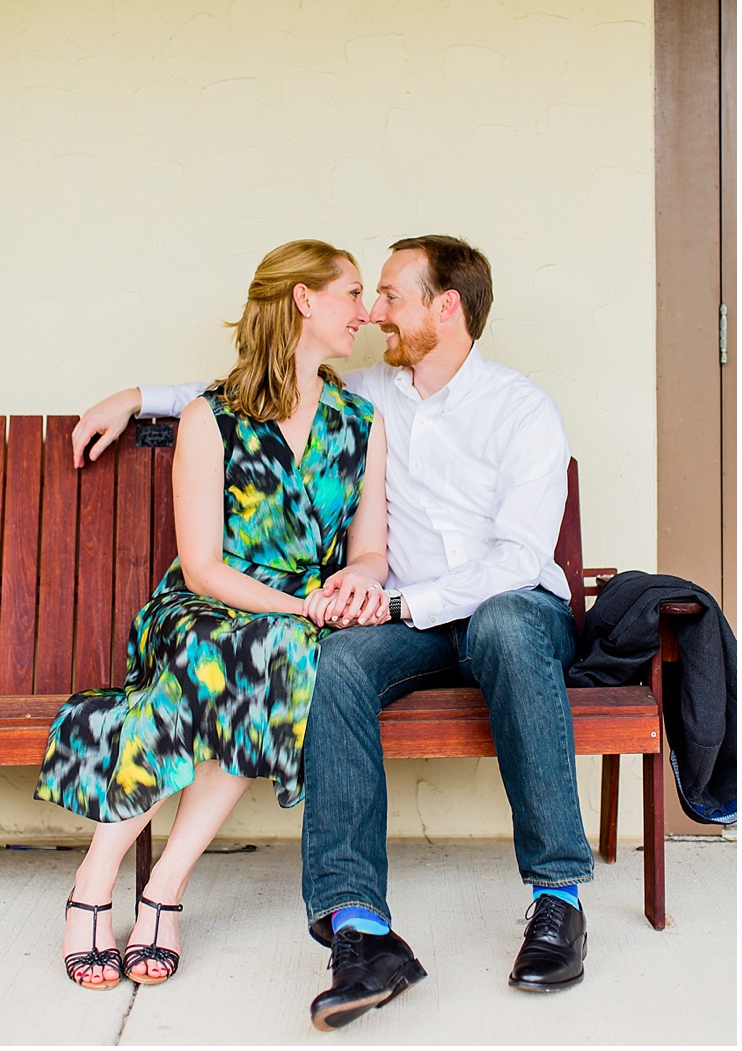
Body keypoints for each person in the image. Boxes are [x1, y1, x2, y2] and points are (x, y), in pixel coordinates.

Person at [72, 234, 592, 1027]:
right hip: (400, 616)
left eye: (391, 296)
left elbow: (520, 559)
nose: (378, 312)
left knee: (510, 626)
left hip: (502, 607)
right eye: (367, 295)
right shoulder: (374, 393)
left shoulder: (521, 409)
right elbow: (255, 393)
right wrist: (139, 394)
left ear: (445, 308)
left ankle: (558, 900)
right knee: (334, 665)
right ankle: (359, 929)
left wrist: (393, 597)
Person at [36, 238, 389, 991]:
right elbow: (203, 565)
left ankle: (162, 885)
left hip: (294, 621)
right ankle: (97, 880)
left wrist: (354, 582)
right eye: (352, 294)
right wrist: (303, 604)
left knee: (274, 654)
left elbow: (371, 550)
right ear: (302, 299)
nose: (365, 313)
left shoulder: (361, 421)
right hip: (205, 605)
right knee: (241, 653)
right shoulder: (210, 417)